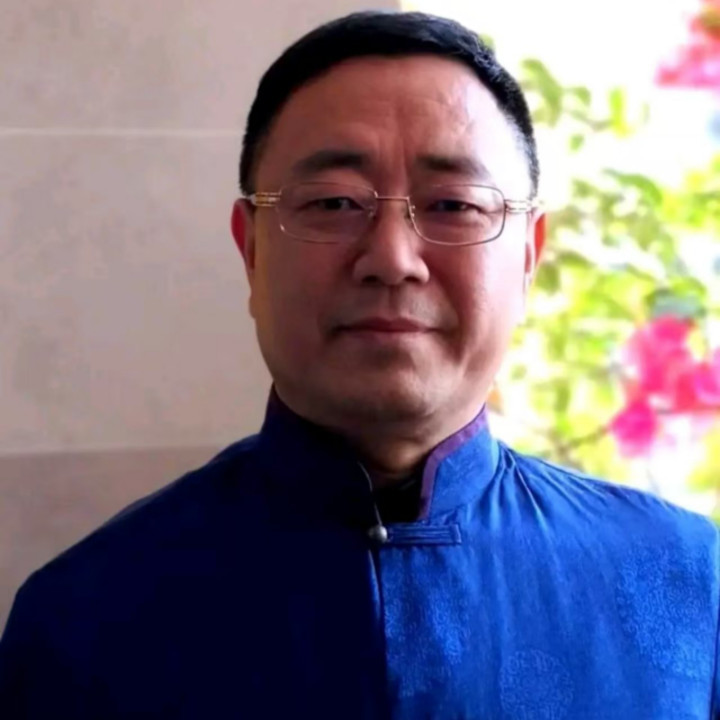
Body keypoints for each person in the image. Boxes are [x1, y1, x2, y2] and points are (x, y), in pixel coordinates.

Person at [1, 9, 718, 719]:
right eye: (334, 202)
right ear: (252, 250)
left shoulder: (688, 581)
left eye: (453, 204)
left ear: (528, 255)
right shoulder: (82, 621)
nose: (393, 259)